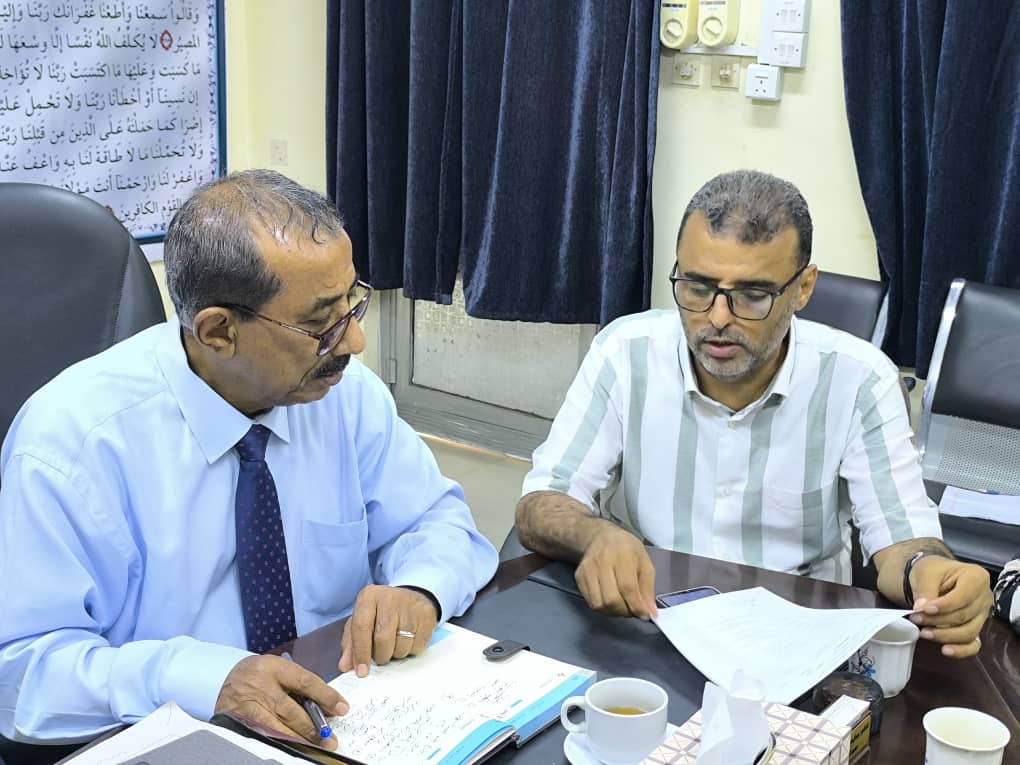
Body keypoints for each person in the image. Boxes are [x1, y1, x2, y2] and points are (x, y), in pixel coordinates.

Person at [0, 170, 498, 748]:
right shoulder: (73, 445)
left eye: (351, 304)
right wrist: (205, 679)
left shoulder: (341, 393)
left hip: (347, 713)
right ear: (218, 332)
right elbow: (22, 671)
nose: (353, 343)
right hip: (168, 733)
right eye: (321, 323)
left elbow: (435, 520)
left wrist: (419, 588)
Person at [516, 169, 992, 658]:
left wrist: (932, 573)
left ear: (803, 288)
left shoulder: (860, 381)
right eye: (697, 287)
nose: (718, 317)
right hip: (648, 623)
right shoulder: (625, 352)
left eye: (752, 295)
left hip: (798, 641)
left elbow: (901, 543)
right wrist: (594, 535)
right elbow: (541, 503)